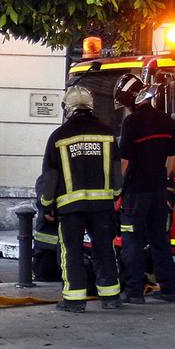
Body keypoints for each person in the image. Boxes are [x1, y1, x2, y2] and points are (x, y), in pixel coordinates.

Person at [40, 84, 122, 312]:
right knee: (104, 248)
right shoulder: (106, 133)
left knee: (71, 250)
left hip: (70, 207)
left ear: (67, 108)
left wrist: (46, 205)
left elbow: (50, 176)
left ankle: (74, 300)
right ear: (90, 106)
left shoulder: (58, 136)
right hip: (102, 205)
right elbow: (117, 171)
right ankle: (111, 297)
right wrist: (115, 194)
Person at [116, 76, 175, 303]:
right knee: (160, 240)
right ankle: (169, 289)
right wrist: (162, 178)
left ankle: (133, 291)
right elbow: (172, 156)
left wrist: (117, 190)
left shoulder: (131, 123)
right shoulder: (166, 120)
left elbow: (124, 162)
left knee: (132, 240)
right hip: (159, 191)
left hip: (136, 192)